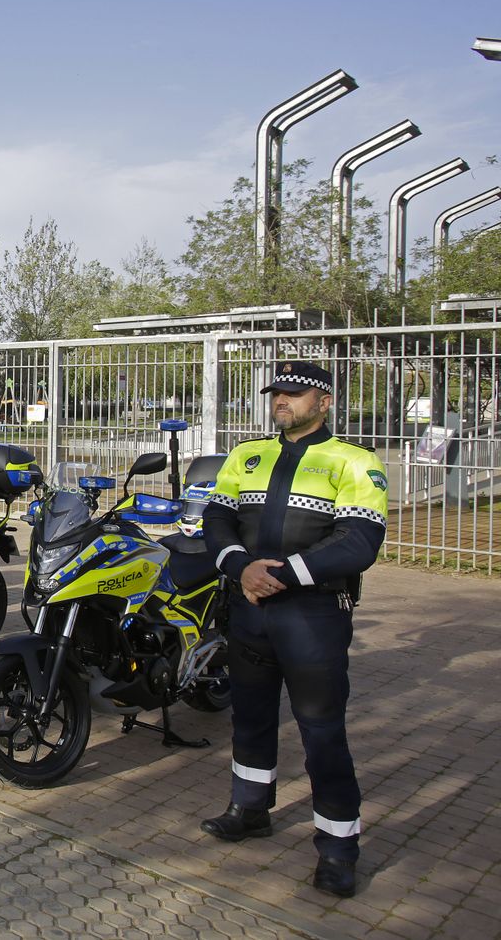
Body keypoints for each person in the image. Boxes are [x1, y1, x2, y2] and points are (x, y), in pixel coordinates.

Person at [199, 360, 388, 899]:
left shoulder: (353, 461)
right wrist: (240, 567)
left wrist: (282, 574)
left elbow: (359, 541)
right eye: (276, 393)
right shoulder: (246, 455)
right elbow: (217, 519)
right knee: (251, 718)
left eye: (294, 393)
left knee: (322, 732)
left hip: (314, 615)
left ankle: (337, 850)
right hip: (250, 608)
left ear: (323, 402)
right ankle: (250, 809)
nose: (281, 400)